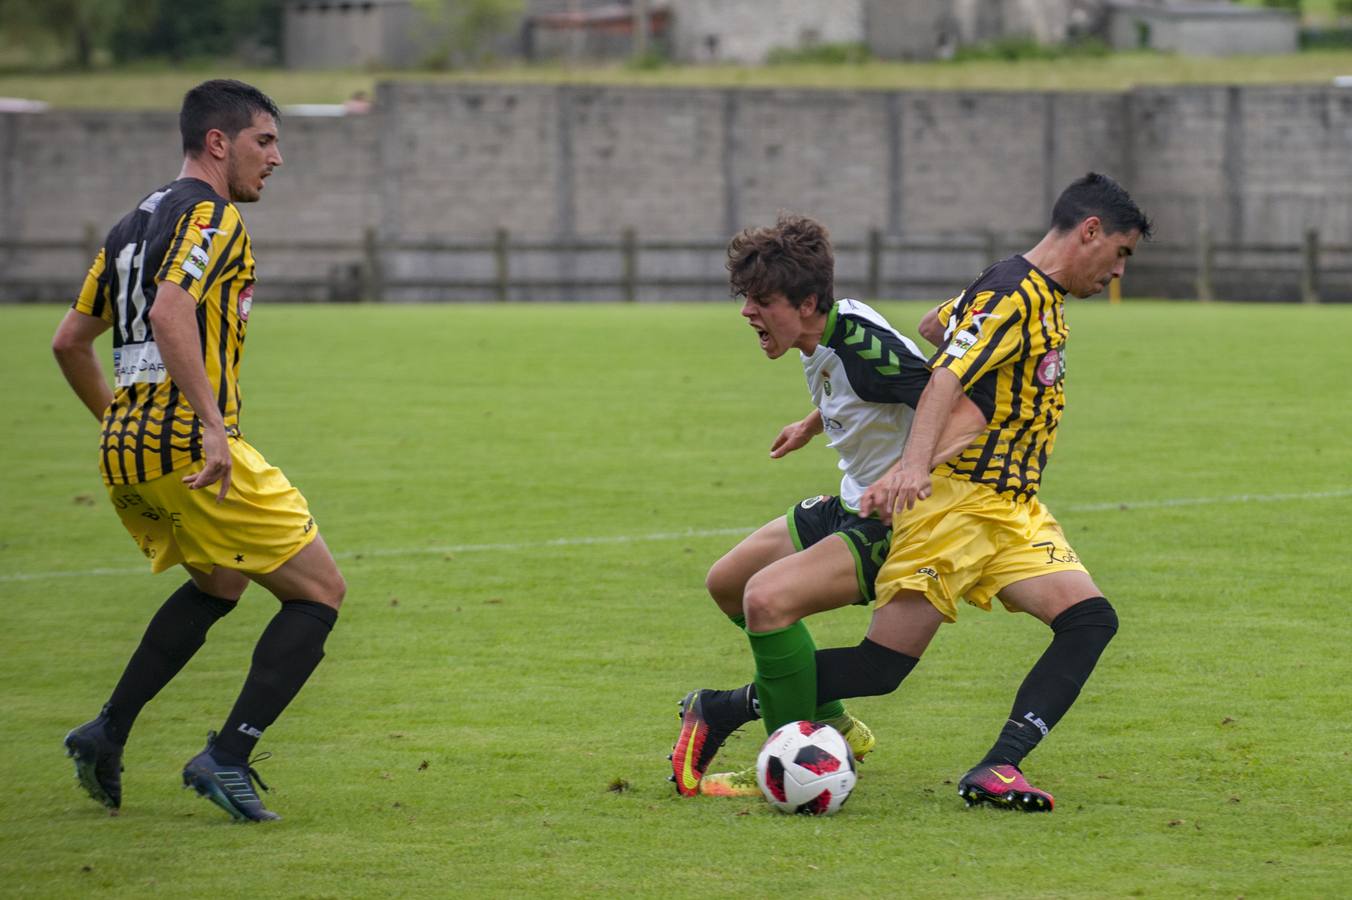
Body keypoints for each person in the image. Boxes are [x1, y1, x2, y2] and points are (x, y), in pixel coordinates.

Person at [684, 173, 1150, 812]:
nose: (1119, 271)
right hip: (959, 505)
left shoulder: (1015, 287)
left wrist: (880, 422)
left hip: (1011, 505)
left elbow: (936, 328)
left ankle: (997, 766)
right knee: (878, 667)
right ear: (1090, 231)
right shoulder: (1014, 292)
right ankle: (740, 713)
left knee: (1090, 620)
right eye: (1121, 252)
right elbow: (949, 382)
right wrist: (912, 465)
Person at [52, 79, 346, 823]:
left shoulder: (130, 223)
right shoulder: (212, 216)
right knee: (319, 593)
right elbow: (170, 308)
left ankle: (107, 731)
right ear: (219, 142)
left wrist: (123, 426)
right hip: (192, 446)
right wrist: (212, 426)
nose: (276, 158)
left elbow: (69, 342)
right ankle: (228, 756)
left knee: (219, 584)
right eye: (264, 141)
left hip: (130, 452)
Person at [670, 214, 987, 798]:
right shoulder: (821, 332)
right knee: (727, 582)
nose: (747, 312)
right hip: (847, 498)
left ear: (808, 301)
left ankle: (781, 759)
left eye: (761, 300)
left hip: (895, 521)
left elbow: (961, 412)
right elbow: (866, 393)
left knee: (765, 601)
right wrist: (815, 424)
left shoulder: (865, 347)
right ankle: (833, 720)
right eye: (747, 298)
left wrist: (903, 476)